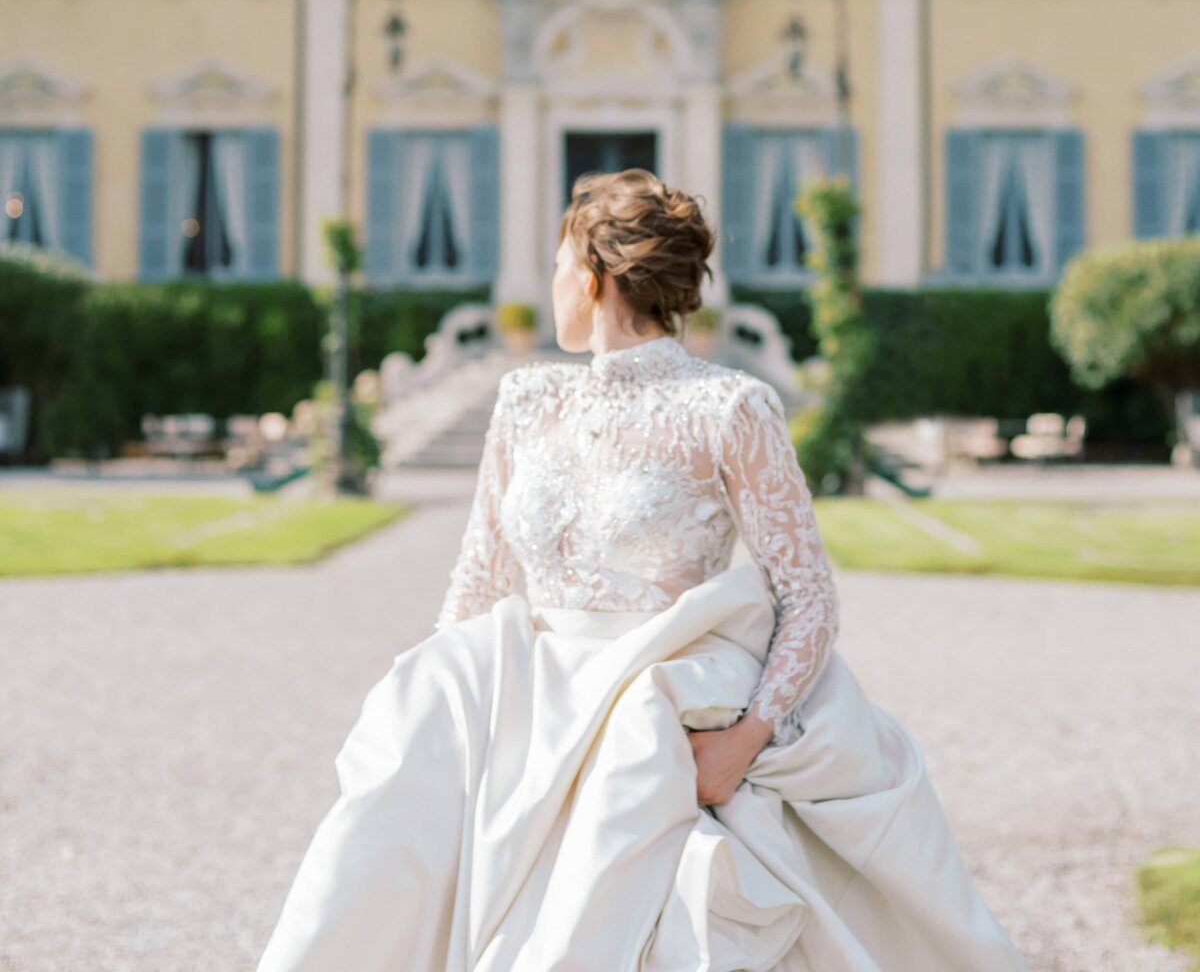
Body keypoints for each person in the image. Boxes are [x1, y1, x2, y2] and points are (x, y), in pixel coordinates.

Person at [256, 169, 1027, 972]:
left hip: (659, 707)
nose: (553, 285)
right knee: (387, 818)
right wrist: (447, 713)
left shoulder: (731, 408)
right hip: (527, 701)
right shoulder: (524, 401)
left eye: (559, 267)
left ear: (592, 276)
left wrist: (746, 738)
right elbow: (477, 581)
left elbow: (808, 598)